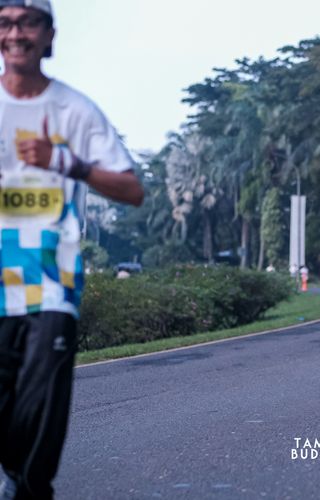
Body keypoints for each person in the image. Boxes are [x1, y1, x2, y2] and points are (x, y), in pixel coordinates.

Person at [0, 1, 145, 497]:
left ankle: (28, 486)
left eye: (28, 23)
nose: (16, 33)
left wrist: (66, 162)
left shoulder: (74, 110)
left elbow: (132, 190)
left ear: (49, 35)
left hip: (49, 285)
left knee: (38, 415)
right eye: (5, 23)